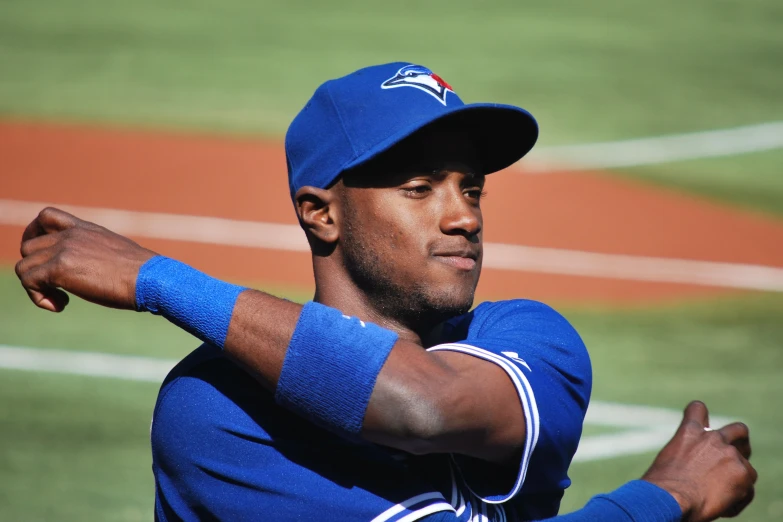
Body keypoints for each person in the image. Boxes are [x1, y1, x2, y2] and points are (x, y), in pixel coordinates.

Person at [16, 63, 755, 521]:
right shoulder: (217, 412)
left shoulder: (532, 340)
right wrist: (662, 499)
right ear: (321, 212)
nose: (464, 215)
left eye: (471, 188)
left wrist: (155, 279)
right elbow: (411, 404)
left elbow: (428, 402)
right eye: (418, 188)